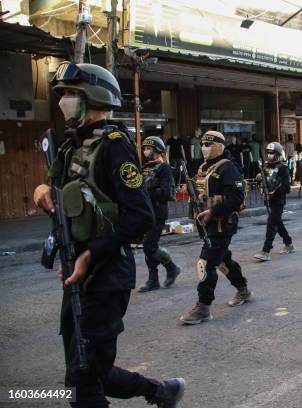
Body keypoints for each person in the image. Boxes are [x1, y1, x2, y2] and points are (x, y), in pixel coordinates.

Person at [33, 61, 184, 406]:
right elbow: (67, 197)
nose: (64, 101)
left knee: (82, 381)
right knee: (88, 370)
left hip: (106, 273)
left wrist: (90, 255)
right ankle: (159, 391)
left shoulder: (114, 144)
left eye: (71, 93)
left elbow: (140, 215)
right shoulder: (71, 146)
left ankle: (159, 391)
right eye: (64, 94)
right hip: (79, 273)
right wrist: (44, 190)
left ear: (92, 97)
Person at [180, 130, 251, 324]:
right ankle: (243, 289)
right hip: (207, 224)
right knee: (222, 260)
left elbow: (237, 199)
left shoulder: (228, 168)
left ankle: (203, 306)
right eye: (202, 144)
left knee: (205, 264)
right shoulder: (204, 167)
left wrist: (213, 212)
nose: (204, 148)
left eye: (209, 144)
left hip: (222, 224)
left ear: (220, 146)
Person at [138, 136, 181, 293]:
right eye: (144, 148)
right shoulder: (144, 167)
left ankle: (158, 276)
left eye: (148, 148)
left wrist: (146, 193)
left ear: (156, 150)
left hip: (158, 212)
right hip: (145, 212)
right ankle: (165, 272)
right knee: (149, 246)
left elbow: (166, 192)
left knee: (149, 245)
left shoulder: (164, 168)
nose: (145, 151)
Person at [253, 142, 295, 261]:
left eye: (272, 153)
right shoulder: (265, 166)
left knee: (271, 224)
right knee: (278, 223)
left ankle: (266, 251)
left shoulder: (283, 168)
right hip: (268, 199)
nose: (270, 155)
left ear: (277, 154)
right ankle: (289, 244)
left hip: (278, 201)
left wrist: (275, 192)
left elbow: (287, 188)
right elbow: (263, 180)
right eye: (269, 152)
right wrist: (259, 179)